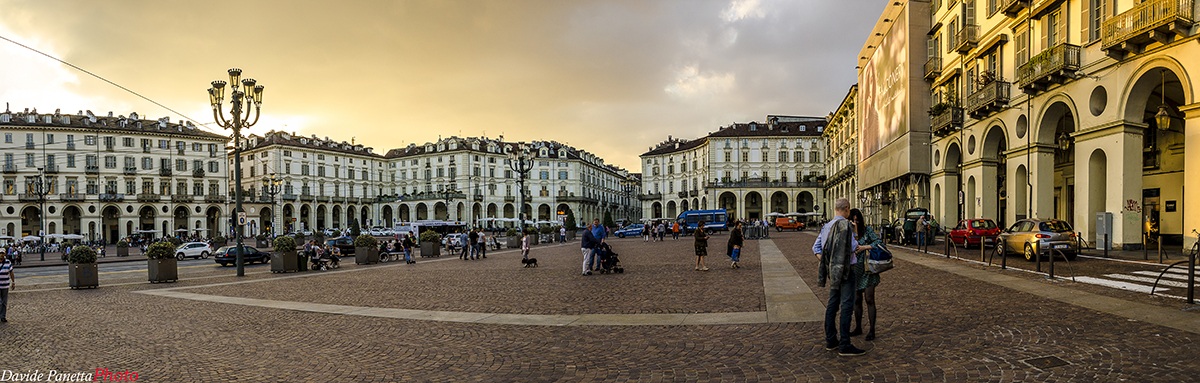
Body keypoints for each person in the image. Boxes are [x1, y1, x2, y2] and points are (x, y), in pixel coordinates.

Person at [814, 198, 867, 357]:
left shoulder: (826, 226)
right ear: (847, 209)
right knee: (846, 305)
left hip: (833, 271)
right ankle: (845, 343)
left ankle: (831, 340)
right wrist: (855, 234)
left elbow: (816, 247)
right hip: (846, 269)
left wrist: (828, 262)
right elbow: (853, 247)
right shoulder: (846, 225)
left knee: (832, 304)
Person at [849, 208, 883, 341]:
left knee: (869, 298)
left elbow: (878, 242)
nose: (855, 222)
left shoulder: (867, 230)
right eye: (853, 220)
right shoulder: (848, 232)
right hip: (854, 270)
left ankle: (872, 330)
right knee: (857, 300)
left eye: (857, 220)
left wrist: (865, 247)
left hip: (868, 269)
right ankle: (858, 327)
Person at [1, 250, 14, 322]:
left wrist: (13, 282)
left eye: (2, 253)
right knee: (0, 302)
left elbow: (11, 272)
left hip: (5, 285)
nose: (1, 255)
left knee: (4, 302)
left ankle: (3, 316)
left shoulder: (8, 262)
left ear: (5, 254)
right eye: (0, 253)